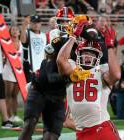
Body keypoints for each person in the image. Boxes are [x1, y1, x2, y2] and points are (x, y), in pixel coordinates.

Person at [57, 20, 121, 140]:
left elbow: (116, 75)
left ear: (97, 57)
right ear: (78, 54)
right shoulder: (73, 69)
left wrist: (110, 46)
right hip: (81, 132)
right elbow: (60, 60)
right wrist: (73, 36)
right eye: (85, 52)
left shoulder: (102, 71)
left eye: (92, 54)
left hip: (102, 127)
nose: (88, 56)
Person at [19, 7, 75, 140]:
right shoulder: (54, 34)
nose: (65, 24)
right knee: (29, 124)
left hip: (58, 92)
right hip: (43, 86)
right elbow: (53, 59)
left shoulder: (77, 39)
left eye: (67, 21)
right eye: (61, 20)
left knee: (51, 135)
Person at [2, 25, 23, 122]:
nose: (15, 31)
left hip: (18, 71)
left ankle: (15, 115)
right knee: (8, 95)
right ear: (10, 32)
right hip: (8, 71)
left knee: (15, 95)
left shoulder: (21, 43)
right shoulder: (7, 43)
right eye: (13, 30)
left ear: (19, 32)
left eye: (16, 30)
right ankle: (8, 116)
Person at [20, 15, 47, 82]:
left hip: (41, 66)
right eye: (34, 23)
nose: (36, 25)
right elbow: (22, 41)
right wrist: (24, 27)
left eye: (38, 22)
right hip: (30, 65)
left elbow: (44, 52)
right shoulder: (27, 32)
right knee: (30, 88)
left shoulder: (44, 35)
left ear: (40, 23)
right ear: (30, 24)